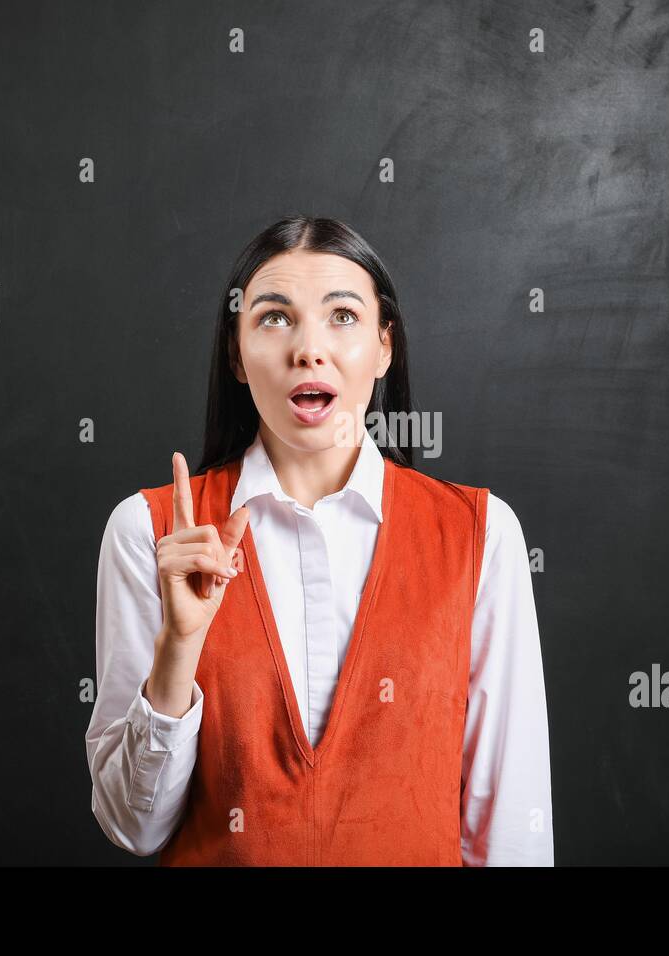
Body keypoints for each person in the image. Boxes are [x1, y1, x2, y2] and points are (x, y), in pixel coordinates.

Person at [85, 216, 553, 865]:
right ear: (235, 353)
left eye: (342, 316)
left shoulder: (481, 535)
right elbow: (133, 828)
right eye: (275, 317)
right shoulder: (150, 532)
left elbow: (509, 823)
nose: (308, 348)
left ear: (384, 346)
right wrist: (179, 647)